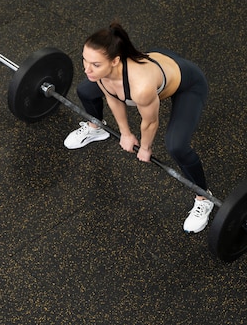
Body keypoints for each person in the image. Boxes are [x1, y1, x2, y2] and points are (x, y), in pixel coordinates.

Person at [64, 22, 213, 233]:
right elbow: (112, 97)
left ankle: (204, 197)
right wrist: (124, 133)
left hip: (187, 83)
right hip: (161, 60)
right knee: (86, 91)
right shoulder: (101, 73)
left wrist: (145, 147)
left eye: (95, 64)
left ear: (115, 60)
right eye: (84, 60)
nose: (86, 68)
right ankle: (96, 128)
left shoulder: (141, 87)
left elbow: (151, 122)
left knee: (176, 145)